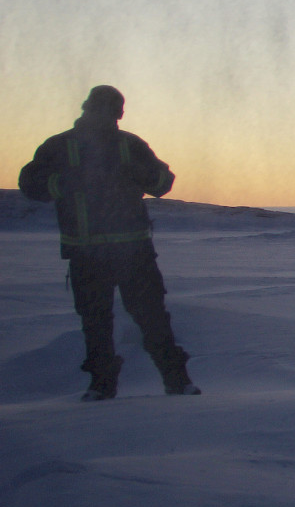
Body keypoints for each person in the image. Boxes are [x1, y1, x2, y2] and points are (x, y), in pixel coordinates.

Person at [18, 85, 198, 400]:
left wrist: (139, 173)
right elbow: (30, 184)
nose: (107, 115)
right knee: (96, 324)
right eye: (102, 108)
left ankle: (177, 382)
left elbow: (162, 182)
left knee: (152, 319)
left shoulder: (130, 145)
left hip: (133, 255)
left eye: (112, 110)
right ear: (88, 108)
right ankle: (101, 386)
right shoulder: (61, 146)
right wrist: (63, 183)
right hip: (87, 254)